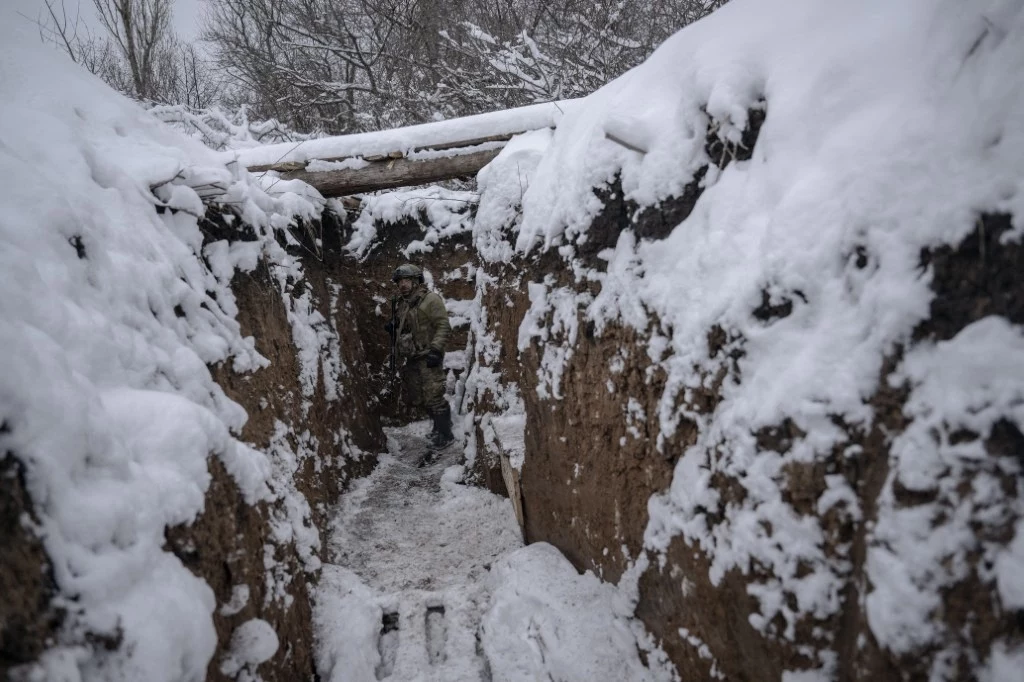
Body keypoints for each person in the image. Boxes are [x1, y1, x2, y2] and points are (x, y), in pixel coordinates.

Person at [386, 263, 454, 457]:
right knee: (421, 398)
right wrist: (394, 326)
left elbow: (443, 326)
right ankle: (437, 429)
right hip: (413, 358)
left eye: (406, 281)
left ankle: (446, 434)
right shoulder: (403, 304)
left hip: (429, 356)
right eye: (399, 282)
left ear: (416, 281)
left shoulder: (430, 300)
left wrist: (436, 350)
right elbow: (405, 327)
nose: (402, 285)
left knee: (434, 395)